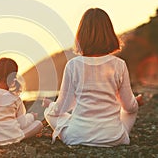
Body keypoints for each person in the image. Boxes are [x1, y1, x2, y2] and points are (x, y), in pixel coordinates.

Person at [43, 8, 144, 147]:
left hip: (76, 137)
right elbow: (128, 107)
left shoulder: (73, 65)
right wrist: (136, 102)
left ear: (81, 36)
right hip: (114, 137)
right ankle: (120, 135)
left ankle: (81, 128)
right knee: (131, 110)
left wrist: (50, 106)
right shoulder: (119, 65)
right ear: (109, 34)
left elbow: (64, 107)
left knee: (49, 113)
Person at [0, 57, 43, 146]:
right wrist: (31, 116)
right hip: (13, 138)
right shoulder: (15, 99)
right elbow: (22, 124)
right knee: (39, 124)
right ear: (13, 79)